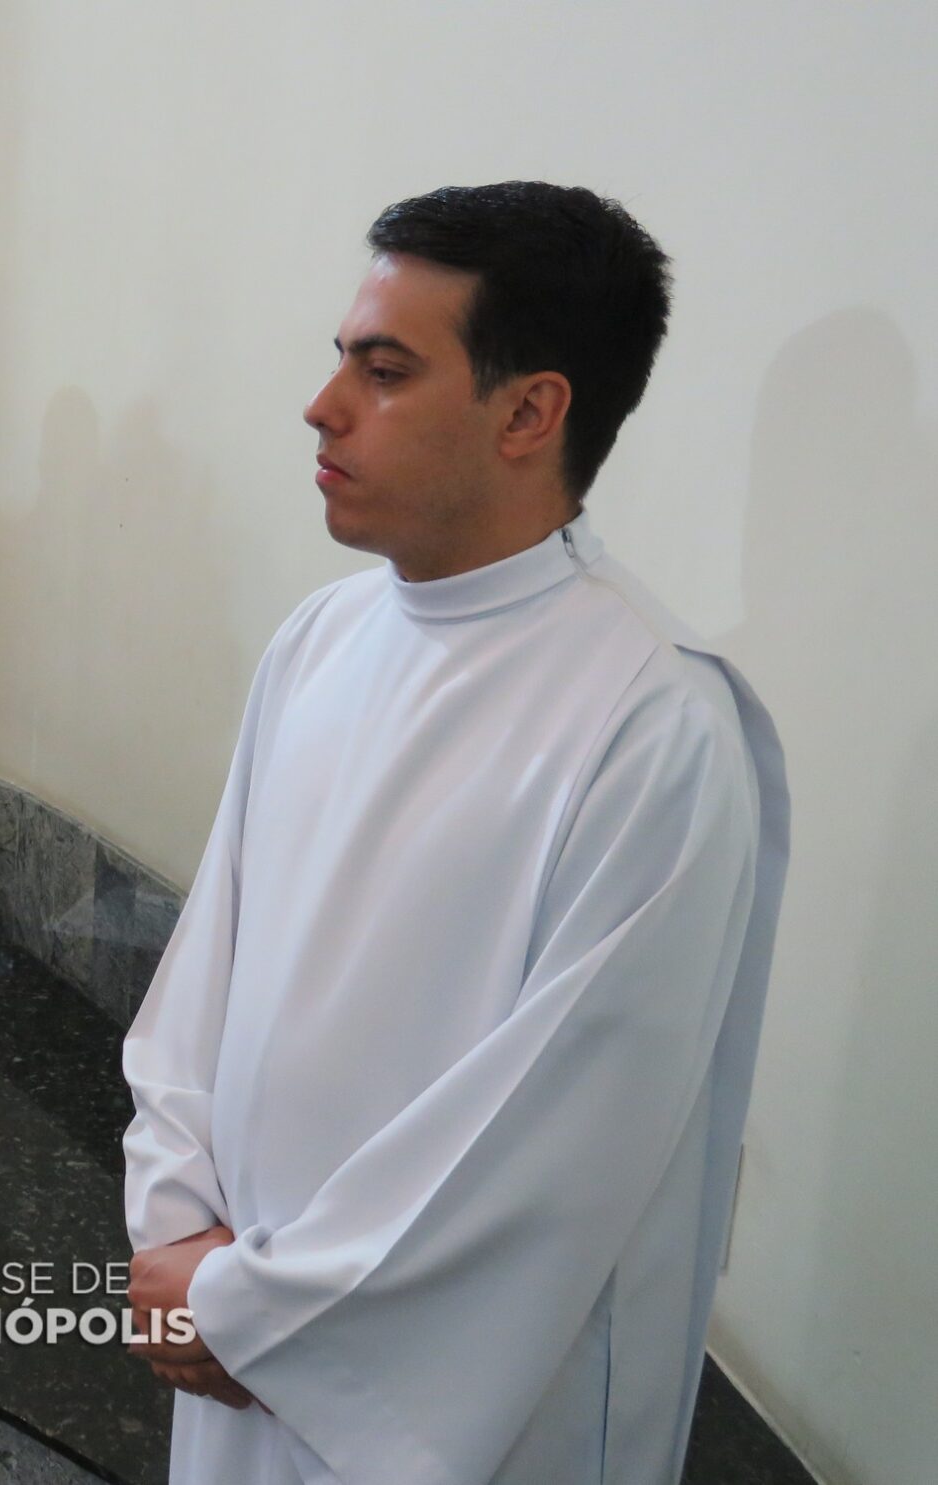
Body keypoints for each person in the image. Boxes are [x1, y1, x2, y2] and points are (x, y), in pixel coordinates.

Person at [122, 182, 788, 1485]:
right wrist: (175, 1217)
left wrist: (257, 1308)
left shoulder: (653, 727)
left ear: (530, 413)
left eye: (383, 372)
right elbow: (206, 984)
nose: (323, 407)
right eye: (342, 361)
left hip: (445, 1405)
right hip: (226, 1320)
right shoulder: (318, 640)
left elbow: (552, 1149)